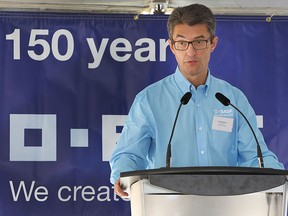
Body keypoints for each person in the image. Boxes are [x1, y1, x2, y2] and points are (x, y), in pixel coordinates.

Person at [109, 3, 284, 197]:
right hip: (167, 205)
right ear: (172, 46)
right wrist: (122, 177)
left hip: (225, 206)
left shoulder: (233, 99)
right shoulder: (149, 100)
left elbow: (256, 157)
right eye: (182, 43)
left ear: (213, 43)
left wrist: (279, 178)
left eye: (199, 42)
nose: (190, 52)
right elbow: (128, 155)